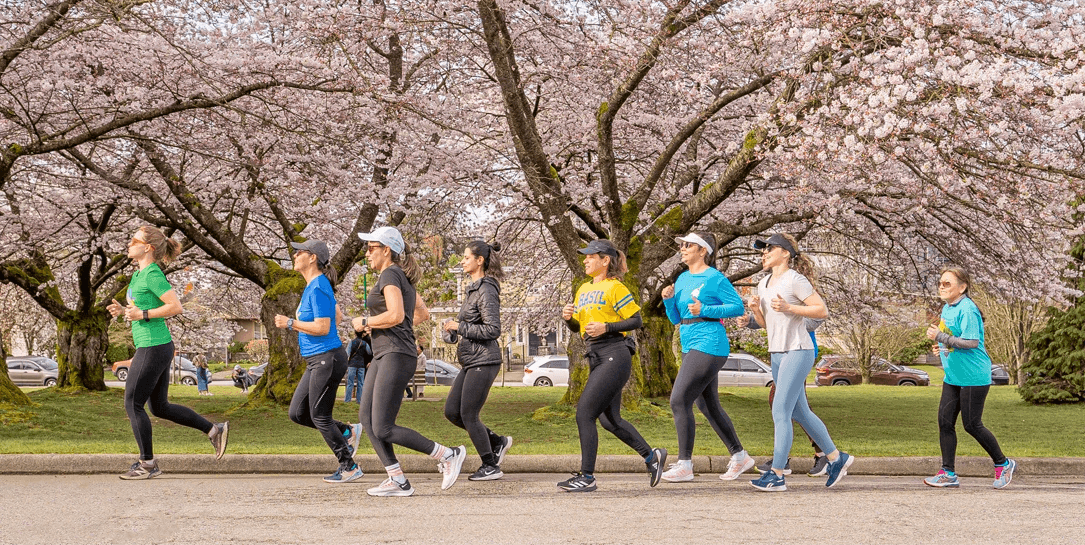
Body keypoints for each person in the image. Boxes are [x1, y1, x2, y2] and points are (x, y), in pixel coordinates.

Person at [106, 226, 228, 480]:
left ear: (148, 247)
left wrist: (143, 314)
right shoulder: (138, 275)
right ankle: (214, 430)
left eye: (133, 240)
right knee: (159, 407)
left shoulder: (152, 274)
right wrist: (125, 311)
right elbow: (140, 307)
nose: (129, 244)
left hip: (154, 346)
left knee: (132, 403)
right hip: (152, 345)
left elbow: (175, 306)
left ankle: (148, 464)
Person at [353, 226, 465, 497]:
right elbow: (421, 313)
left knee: (383, 426)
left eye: (371, 248)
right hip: (386, 351)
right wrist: (384, 327)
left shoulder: (391, 273)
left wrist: (368, 322)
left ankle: (447, 454)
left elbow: (395, 314)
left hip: (395, 353)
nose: (367, 254)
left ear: (386, 250)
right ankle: (398, 480)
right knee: (366, 419)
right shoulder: (400, 277)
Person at [558, 239, 667, 492]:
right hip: (596, 354)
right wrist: (568, 320)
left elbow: (637, 320)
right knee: (610, 420)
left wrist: (607, 327)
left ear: (605, 260)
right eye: (584, 256)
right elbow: (581, 328)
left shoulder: (615, 287)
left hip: (615, 353)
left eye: (590, 256)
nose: (584, 260)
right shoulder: (583, 288)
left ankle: (587, 477)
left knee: (585, 413)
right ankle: (652, 457)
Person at [748, 233, 853, 491]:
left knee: (780, 410)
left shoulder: (795, 280)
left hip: (798, 349)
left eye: (769, 249)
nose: (764, 253)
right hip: (777, 352)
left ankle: (777, 474)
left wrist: (790, 308)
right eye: (763, 250)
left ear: (785, 253)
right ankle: (836, 458)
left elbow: (821, 310)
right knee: (799, 412)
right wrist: (755, 311)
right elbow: (767, 325)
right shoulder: (763, 284)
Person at [660, 232, 751, 482]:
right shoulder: (681, 279)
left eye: (688, 245)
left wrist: (706, 309)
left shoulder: (715, 278)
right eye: (682, 245)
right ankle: (740, 455)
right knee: (707, 405)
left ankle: (685, 465)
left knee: (679, 400)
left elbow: (737, 307)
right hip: (690, 343)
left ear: (703, 251)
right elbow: (677, 319)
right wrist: (668, 301)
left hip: (710, 342)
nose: (683, 248)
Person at [274, 239, 363, 484]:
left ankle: (349, 466)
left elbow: (323, 327)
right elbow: (338, 315)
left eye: (298, 252)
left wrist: (289, 323)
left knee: (319, 415)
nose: (294, 255)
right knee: (298, 413)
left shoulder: (318, 286)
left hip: (328, 358)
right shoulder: (316, 286)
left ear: (312, 257)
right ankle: (347, 431)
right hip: (317, 360)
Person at [924, 266, 1015, 489]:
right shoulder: (947, 308)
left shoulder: (968, 309)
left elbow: (971, 342)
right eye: (940, 283)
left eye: (947, 283)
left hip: (974, 376)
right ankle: (948, 473)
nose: (942, 287)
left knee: (972, 425)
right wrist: (942, 347)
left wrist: (940, 336)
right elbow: (954, 340)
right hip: (953, 376)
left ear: (962, 287)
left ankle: (1003, 463)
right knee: (945, 422)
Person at [442, 240, 514, 481]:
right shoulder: (472, 289)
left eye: (466, 257)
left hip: (485, 359)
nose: (462, 261)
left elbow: (493, 329)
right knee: (453, 411)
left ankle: (490, 464)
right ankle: (497, 441)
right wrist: (453, 331)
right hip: (471, 360)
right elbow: (471, 325)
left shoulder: (487, 288)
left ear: (479, 260)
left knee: (469, 414)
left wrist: (460, 327)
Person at [741, 315, 829, 477]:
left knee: (785, 404)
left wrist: (790, 317)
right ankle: (826, 455)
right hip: (782, 352)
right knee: (795, 406)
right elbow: (772, 319)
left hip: (798, 352)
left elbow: (816, 316)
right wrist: (751, 320)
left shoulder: (799, 292)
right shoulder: (774, 291)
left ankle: (821, 456)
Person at [344, 329, 371, 403]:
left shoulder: (351, 342)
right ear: (362, 334)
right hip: (361, 365)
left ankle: (347, 400)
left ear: (355, 334)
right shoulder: (365, 343)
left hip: (352, 364)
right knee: (361, 383)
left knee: (350, 383)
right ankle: (359, 400)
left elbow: (347, 353)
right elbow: (369, 352)